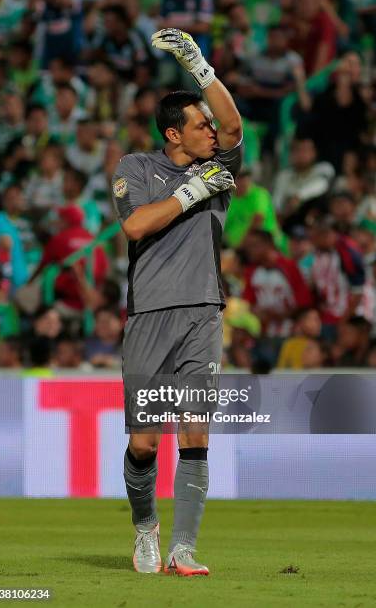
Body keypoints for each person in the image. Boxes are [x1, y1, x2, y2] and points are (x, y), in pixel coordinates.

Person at [112, 28, 242, 576]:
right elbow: (138, 224)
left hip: (202, 314)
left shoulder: (221, 162)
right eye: (199, 125)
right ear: (173, 134)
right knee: (144, 443)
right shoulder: (136, 168)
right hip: (149, 318)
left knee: (195, 430)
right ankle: (146, 529)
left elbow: (234, 124)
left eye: (209, 125)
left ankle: (183, 550)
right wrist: (192, 192)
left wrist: (198, 64)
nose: (212, 132)